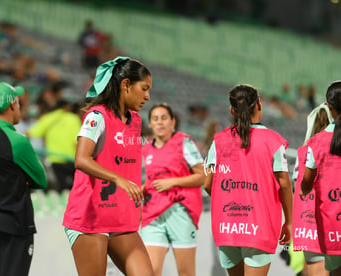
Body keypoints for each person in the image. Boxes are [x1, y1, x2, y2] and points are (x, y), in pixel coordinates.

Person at [62, 56, 154, 276]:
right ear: (126, 85)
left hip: (121, 218)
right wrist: (118, 179)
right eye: (144, 88)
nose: (148, 96)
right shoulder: (97, 117)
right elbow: (81, 159)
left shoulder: (137, 121)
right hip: (90, 218)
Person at [203, 84, 293, 276]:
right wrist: (290, 222)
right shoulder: (273, 141)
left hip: (227, 226)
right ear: (259, 105)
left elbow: (208, 184)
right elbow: (284, 184)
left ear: (231, 110)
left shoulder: (218, 140)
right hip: (259, 226)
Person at [0, 82, 47, 276]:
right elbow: (41, 179)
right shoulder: (18, 140)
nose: (20, 106)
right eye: (18, 101)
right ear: (12, 104)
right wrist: (24, 178)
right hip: (16, 222)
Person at [141, 103, 205, 276]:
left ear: (173, 122)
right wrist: (141, 189)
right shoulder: (145, 150)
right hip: (153, 215)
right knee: (150, 271)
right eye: (155, 119)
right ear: (150, 124)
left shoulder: (184, 142)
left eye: (164, 118)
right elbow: (150, 181)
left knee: (186, 272)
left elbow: (202, 176)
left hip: (181, 212)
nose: (160, 122)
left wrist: (173, 182)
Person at [301, 80, 341, 275]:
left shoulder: (316, 143)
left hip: (331, 226)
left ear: (330, 108)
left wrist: (304, 187)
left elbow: (306, 184)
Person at [293, 102, 332, 276]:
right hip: (328, 220)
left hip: (306, 222)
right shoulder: (331, 150)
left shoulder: (302, 152)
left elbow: (298, 187)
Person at [28, 99, 81, 191]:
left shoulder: (48, 118)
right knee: (76, 189)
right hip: (71, 160)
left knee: (60, 190)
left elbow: (30, 133)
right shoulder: (73, 118)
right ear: (67, 107)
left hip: (55, 160)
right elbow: (77, 141)